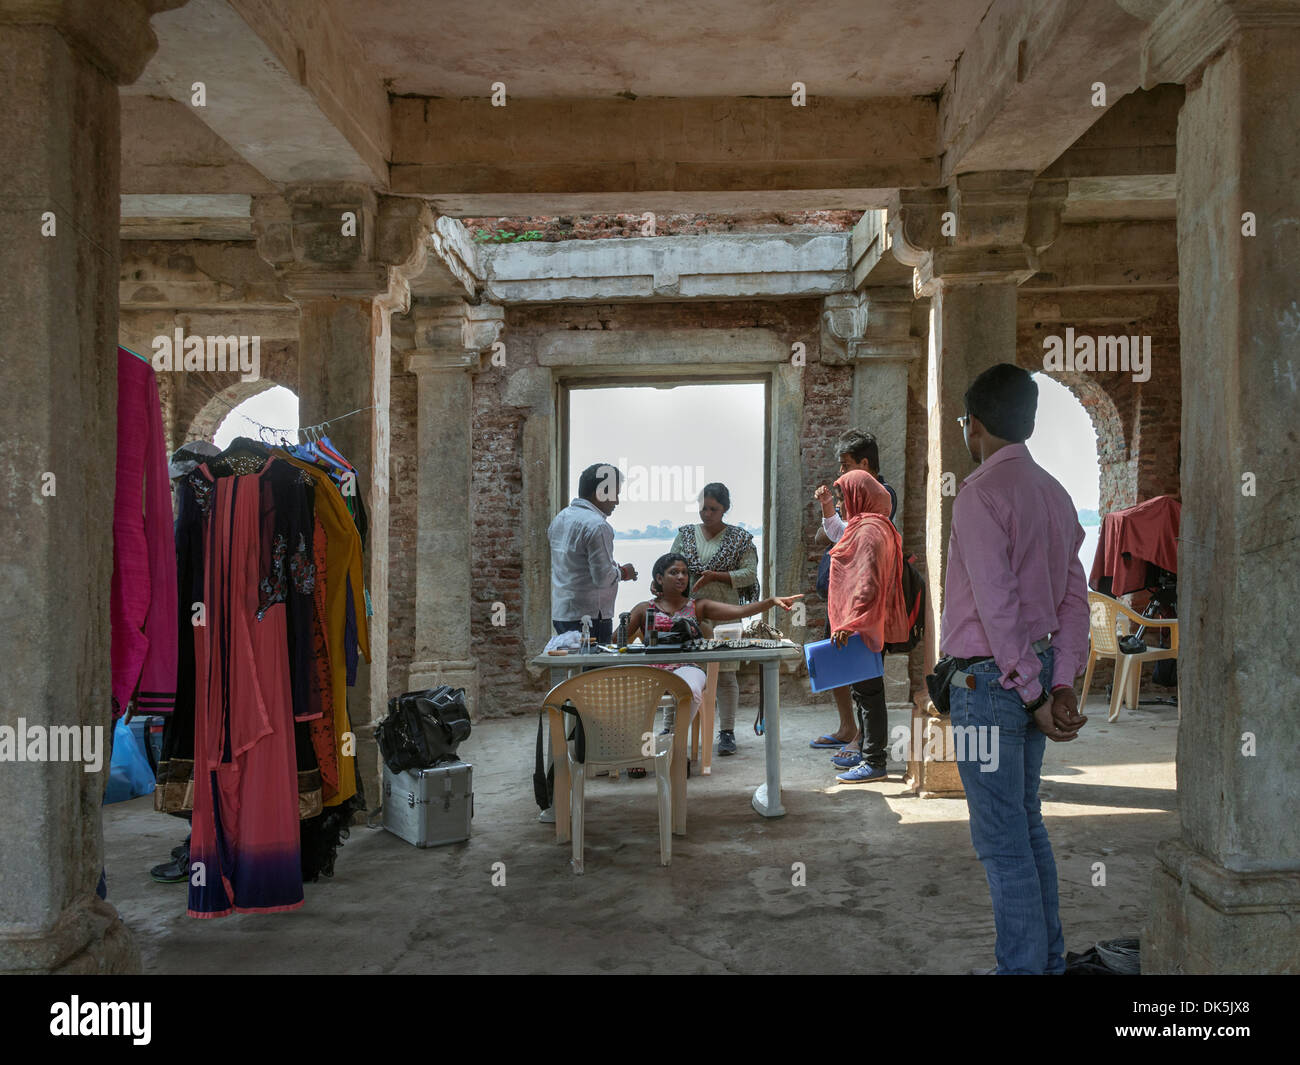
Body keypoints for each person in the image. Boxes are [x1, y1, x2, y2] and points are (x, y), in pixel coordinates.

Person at [942, 363, 1089, 975]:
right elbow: (1073, 600)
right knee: (1027, 830)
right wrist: (1060, 683)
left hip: (988, 684)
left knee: (1002, 844)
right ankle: (1044, 962)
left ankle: (1025, 969)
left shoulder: (980, 494)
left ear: (975, 426)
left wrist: (1030, 691)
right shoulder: (1055, 494)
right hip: (1034, 674)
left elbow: (998, 606)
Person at [626, 553, 801, 735]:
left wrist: (771, 602)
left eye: (684, 573)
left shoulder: (697, 606)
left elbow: (740, 610)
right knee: (626, 693)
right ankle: (639, 749)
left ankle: (674, 742)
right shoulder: (644, 609)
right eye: (674, 572)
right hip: (652, 670)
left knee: (691, 690)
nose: (681, 577)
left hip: (687, 667)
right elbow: (615, 641)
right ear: (659, 578)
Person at [809, 429, 896, 762]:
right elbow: (832, 531)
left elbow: (867, 577)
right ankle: (853, 735)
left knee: (867, 685)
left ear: (864, 465)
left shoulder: (874, 509)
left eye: (846, 468)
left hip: (860, 618)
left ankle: (869, 753)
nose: (841, 476)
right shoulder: (862, 509)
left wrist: (853, 618)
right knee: (854, 680)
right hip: (846, 613)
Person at [824, 470, 908, 783]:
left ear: (859, 495)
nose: (842, 504)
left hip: (863, 626)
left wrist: (851, 621)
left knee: (870, 695)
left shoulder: (870, 530)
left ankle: (874, 761)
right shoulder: (872, 525)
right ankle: (867, 755)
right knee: (864, 693)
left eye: (844, 497)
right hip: (865, 623)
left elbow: (869, 583)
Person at [671, 482, 758, 756]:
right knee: (681, 671)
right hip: (689, 614)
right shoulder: (685, 535)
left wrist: (717, 575)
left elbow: (749, 575)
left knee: (726, 674)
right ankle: (669, 728)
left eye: (713, 509)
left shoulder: (740, 539)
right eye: (703, 508)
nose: (706, 513)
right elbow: (670, 564)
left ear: (725, 510)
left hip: (726, 613)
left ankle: (727, 732)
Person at [548, 462, 639, 644]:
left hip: (562, 613)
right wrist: (624, 572)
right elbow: (603, 578)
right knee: (595, 671)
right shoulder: (597, 526)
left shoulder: (560, 519)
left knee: (575, 670)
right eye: (615, 495)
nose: (617, 502)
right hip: (591, 618)